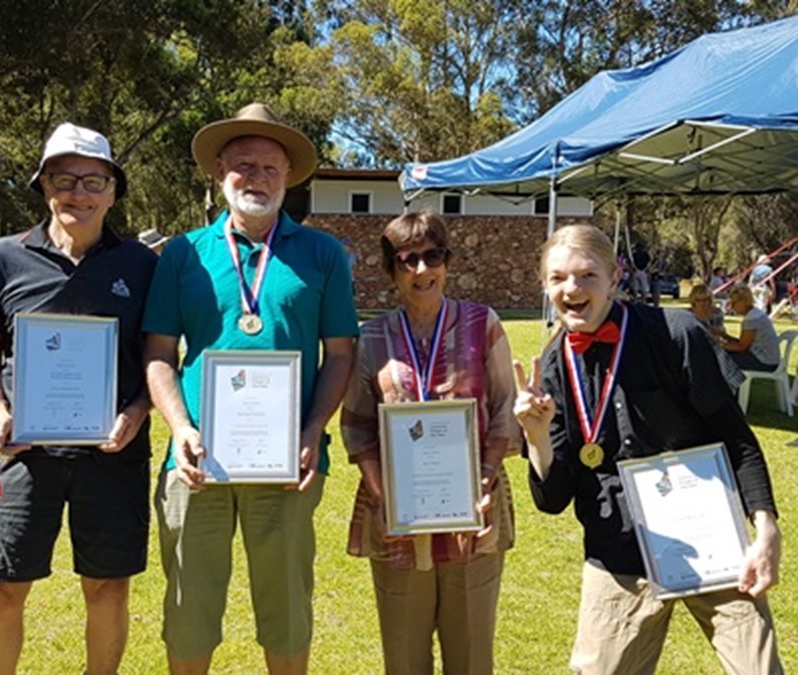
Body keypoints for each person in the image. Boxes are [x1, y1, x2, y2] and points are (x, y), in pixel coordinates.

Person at [143, 102, 358, 675]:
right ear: (219, 170)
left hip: (288, 461)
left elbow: (341, 355)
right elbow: (159, 355)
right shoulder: (185, 253)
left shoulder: (324, 255)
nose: (256, 177)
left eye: (269, 166)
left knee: (286, 605)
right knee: (189, 605)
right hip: (195, 460)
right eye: (243, 165)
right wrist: (181, 428)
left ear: (288, 175)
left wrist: (314, 429)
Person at [513, 225, 782, 674]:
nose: (572, 289)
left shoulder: (676, 334)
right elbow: (553, 498)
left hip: (712, 543)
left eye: (586, 276)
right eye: (558, 278)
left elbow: (737, 439)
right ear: (545, 285)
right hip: (617, 554)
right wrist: (537, 437)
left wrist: (766, 528)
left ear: (614, 278)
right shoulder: (555, 365)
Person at [0, 122, 158, 674]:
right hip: (24, 456)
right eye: (65, 179)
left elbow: (160, 360)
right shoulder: (2, 258)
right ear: (44, 186)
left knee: (107, 590)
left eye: (94, 180)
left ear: (114, 190)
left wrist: (138, 412)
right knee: (1, 590)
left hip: (113, 454)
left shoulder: (142, 267)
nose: (79, 193)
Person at [339, 211, 519, 674]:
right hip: (397, 522)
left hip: (474, 515)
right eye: (407, 260)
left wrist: (484, 477)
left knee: (472, 657)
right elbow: (357, 424)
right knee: (403, 659)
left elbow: (503, 410)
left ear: (447, 261)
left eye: (432, 256)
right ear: (391, 271)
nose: (422, 271)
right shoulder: (373, 337)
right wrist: (386, 497)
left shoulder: (485, 324)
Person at [722, 284, 781, 373]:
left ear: (745, 301)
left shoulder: (752, 319)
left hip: (764, 362)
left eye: (734, 303)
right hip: (767, 358)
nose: (732, 307)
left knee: (720, 360)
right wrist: (724, 336)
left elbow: (742, 346)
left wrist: (719, 346)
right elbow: (744, 342)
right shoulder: (755, 314)